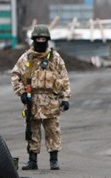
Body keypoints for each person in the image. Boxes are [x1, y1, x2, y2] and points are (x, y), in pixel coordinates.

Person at [10, 25, 71, 170]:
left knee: (53, 130)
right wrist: (22, 92)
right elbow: (15, 76)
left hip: (51, 100)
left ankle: (54, 159)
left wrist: (65, 98)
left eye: (43, 38)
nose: (41, 41)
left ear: (47, 40)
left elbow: (64, 78)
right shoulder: (26, 58)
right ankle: (33, 160)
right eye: (38, 38)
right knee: (32, 130)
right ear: (34, 39)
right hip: (33, 100)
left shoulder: (55, 58)